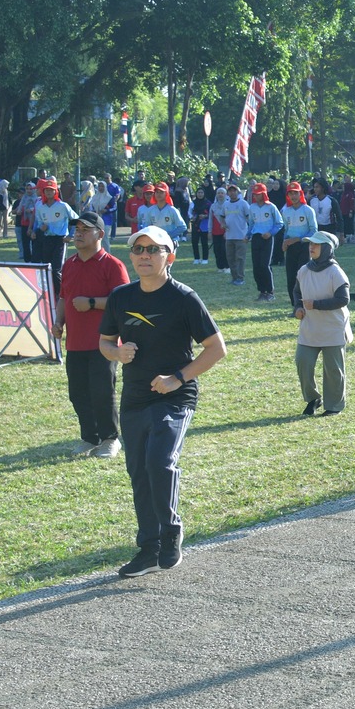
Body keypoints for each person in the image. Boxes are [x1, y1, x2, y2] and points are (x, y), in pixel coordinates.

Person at [97, 225, 226, 577]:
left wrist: (178, 378)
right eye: (138, 249)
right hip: (134, 396)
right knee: (138, 470)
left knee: (160, 461)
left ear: (170, 257)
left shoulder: (183, 298)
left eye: (153, 250)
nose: (144, 256)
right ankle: (149, 548)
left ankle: (171, 532)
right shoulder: (122, 297)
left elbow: (216, 349)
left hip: (175, 397)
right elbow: (105, 342)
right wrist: (118, 352)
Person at [59, 212, 130, 458]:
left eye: (85, 229)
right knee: (78, 392)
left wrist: (91, 303)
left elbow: (122, 302)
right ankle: (89, 437)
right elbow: (63, 298)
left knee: (102, 391)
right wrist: (58, 323)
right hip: (75, 341)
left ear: (100, 234)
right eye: (77, 228)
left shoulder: (112, 265)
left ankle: (110, 438)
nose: (78, 233)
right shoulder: (69, 264)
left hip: (104, 342)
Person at [293, 231, 351, 416]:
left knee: (333, 370)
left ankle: (334, 405)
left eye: (316, 245)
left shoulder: (335, 272)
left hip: (333, 328)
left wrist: (316, 305)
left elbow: (343, 299)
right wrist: (297, 309)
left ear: (327, 248)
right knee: (303, 362)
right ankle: (313, 399)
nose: (312, 247)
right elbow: (296, 293)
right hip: (310, 328)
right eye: (310, 244)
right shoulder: (304, 270)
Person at [279, 182, 320, 310]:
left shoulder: (308, 210)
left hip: (305, 247)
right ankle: (295, 306)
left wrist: (298, 239)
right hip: (291, 247)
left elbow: (314, 230)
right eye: (291, 193)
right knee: (291, 276)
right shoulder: (285, 211)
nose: (293, 196)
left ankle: (306, 304)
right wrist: (285, 241)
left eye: (296, 193)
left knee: (303, 276)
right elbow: (286, 229)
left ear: (300, 193)